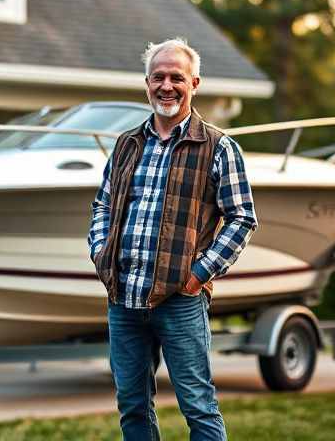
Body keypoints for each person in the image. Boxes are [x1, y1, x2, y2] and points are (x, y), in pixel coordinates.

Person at [87, 38, 258, 440]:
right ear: (147, 83)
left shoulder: (218, 146)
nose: (167, 85)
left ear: (194, 83)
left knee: (198, 406)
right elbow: (102, 206)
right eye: (158, 77)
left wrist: (198, 274)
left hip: (180, 300)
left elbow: (242, 218)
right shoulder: (127, 143)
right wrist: (100, 254)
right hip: (124, 299)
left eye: (176, 77)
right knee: (132, 407)